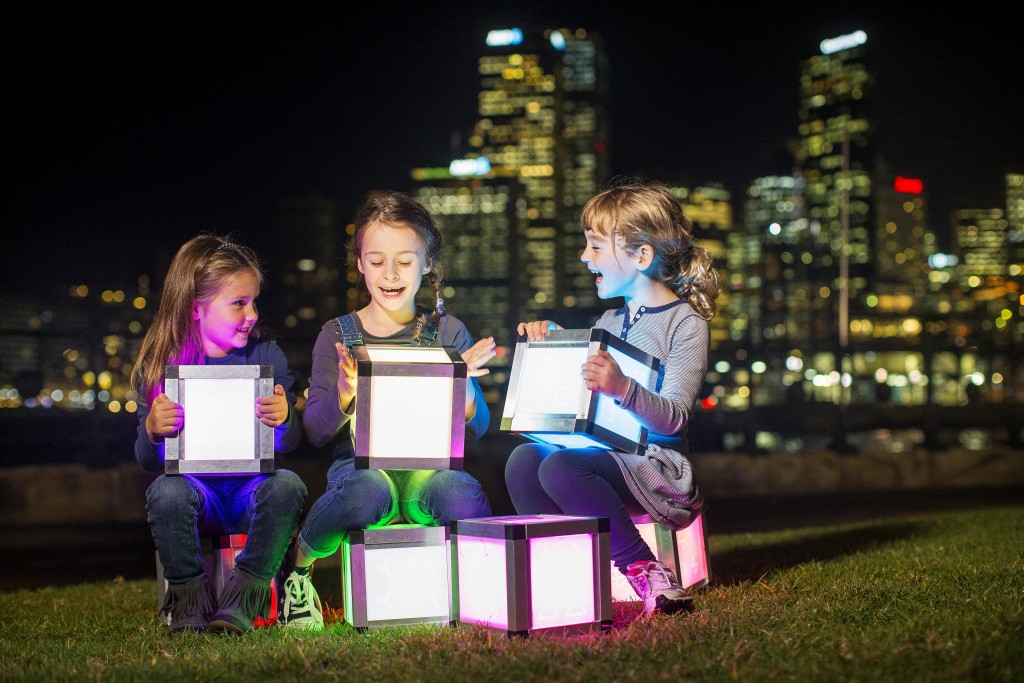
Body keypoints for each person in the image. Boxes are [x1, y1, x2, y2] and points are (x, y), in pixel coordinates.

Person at [278, 190, 497, 630]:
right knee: (366, 491)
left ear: (428, 262)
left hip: (428, 473)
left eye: (405, 260)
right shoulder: (337, 335)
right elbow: (317, 432)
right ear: (360, 263)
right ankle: (298, 568)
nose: (390, 274)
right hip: (359, 471)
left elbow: (479, 429)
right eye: (376, 261)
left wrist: (465, 385)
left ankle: (477, 586)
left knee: (463, 492)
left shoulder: (447, 332)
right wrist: (345, 389)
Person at [504, 178, 720, 616]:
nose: (585, 257)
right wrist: (554, 342)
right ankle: (566, 577)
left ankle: (647, 573)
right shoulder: (608, 318)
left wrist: (623, 387)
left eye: (596, 247)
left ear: (642, 256)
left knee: (563, 466)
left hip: (656, 466)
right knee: (523, 461)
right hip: (602, 452)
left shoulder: (686, 324)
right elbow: (587, 394)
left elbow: (674, 418)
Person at [131, 233, 307, 634]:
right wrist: (151, 428)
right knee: (165, 491)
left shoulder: (267, 355)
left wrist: (284, 419)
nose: (252, 314)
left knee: (288, 485)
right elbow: (145, 459)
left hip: (251, 493)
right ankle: (189, 601)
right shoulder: (164, 364)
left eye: (253, 301)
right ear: (196, 309)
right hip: (197, 495)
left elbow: (290, 444)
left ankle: (244, 598)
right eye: (239, 303)